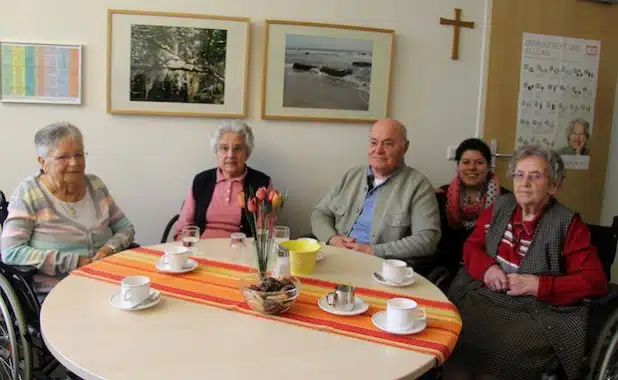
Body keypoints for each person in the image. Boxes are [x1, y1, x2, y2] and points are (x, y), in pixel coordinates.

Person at [443, 145, 607, 380]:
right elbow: (473, 246)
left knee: (503, 349)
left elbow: (594, 281)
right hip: (486, 296)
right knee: (453, 333)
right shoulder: (500, 207)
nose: (524, 182)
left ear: (554, 185)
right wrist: (487, 268)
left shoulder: (568, 224)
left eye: (535, 176)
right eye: (519, 175)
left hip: (536, 310)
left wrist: (537, 285)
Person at [1, 122, 135, 296]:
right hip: (59, 290)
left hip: (107, 281)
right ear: (43, 162)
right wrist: (74, 261)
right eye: (63, 157)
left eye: (79, 155)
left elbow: (125, 228)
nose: (74, 163)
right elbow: (11, 252)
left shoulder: (95, 185)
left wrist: (108, 249)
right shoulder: (29, 193)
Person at [311, 118, 441, 272]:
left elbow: (427, 240)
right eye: (374, 142)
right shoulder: (352, 175)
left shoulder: (418, 185)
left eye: (387, 144)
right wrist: (332, 238)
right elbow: (320, 213)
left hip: (380, 269)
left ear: (404, 148)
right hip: (334, 258)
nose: (378, 150)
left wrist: (372, 250)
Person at [175, 120, 270, 239]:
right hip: (200, 250)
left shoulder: (261, 183)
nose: (230, 155)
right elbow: (183, 227)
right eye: (224, 148)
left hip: (242, 252)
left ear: (247, 153)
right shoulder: (201, 181)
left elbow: (264, 233)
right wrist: (189, 248)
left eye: (238, 148)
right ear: (216, 152)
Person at [435, 138, 507, 274]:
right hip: (446, 265)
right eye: (466, 162)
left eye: (479, 163)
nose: (472, 168)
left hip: (486, 267)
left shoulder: (505, 200)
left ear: (488, 167)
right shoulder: (443, 195)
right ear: (458, 165)